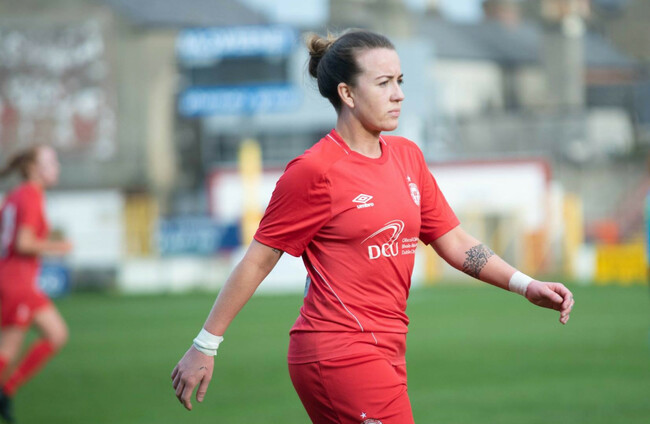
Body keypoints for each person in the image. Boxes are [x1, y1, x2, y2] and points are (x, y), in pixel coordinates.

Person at [171, 30, 575, 423]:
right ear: (347, 94)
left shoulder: (407, 156)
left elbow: (452, 240)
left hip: (388, 348)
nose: (398, 94)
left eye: (400, 81)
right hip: (338, 351)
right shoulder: (314, 171)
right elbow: (258, 260)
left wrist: (525, 285)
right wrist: (205, 345)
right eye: (384, 83)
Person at [0, 145, 72, 423]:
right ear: (32, 168)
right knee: (8, 350)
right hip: (17, 282)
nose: (57, 167)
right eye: (50, 162)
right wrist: (57, 246)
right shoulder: (30, 195)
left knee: (56, 334)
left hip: (15, 280)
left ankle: (7, 389)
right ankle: (5, 389)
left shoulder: (15, 195)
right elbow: (23, 243)